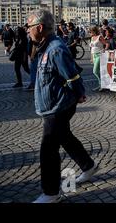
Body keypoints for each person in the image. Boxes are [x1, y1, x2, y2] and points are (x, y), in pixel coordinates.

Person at [27, 10, 97, 203]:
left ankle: (51, 193)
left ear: (40, 28)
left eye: (29, 27)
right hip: (51, 104)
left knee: (48, 149)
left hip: (58, 107)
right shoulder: (43, 46)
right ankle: (88, 165)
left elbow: (72, 75)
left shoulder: (55, 48)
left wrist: (80, 93)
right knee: (65, 137)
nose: (28, 31)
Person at [89, 26, 107, 92]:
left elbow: (106, 44)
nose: (89, 33)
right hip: (94, 55)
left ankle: (102, 84)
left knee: (95, 71)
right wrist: (91, 57)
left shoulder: (100, 37)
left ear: (94, 31)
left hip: (99, 55)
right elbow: (92, 48)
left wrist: (104, 50)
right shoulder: (92, 38)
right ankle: (101, 85)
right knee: (99, 71)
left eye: (90, 32)